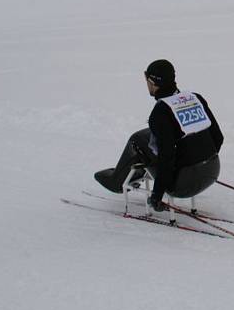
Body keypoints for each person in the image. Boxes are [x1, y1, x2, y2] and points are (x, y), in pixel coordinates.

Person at [94, 59, 224, 212]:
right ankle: (131, 172)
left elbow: (166, 156)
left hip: (181, 185)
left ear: (152, 81)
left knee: (137, 139)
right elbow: (218, 137)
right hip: (213, 170)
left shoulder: (161, 112)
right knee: (149, 136)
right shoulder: (195, 98)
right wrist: (202, 160)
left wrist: (157, 195)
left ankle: (117, 181)